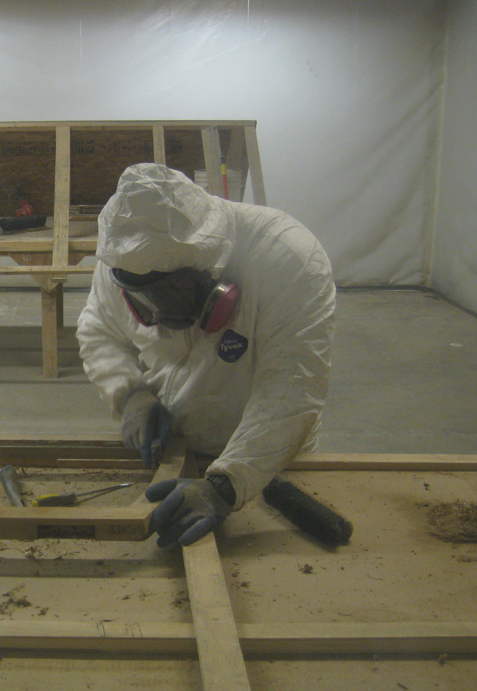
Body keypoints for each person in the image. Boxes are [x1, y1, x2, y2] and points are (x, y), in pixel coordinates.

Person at [77, 163, 335, 547]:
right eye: (145, 299)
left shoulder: (285, 258)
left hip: (269, 462)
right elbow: (100, 329)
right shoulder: (123, 254)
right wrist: (130, 393)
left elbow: (291, 389)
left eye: (173, 293)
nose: (161, 315)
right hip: (175, 449)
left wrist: (225, 486)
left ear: (209, 263)